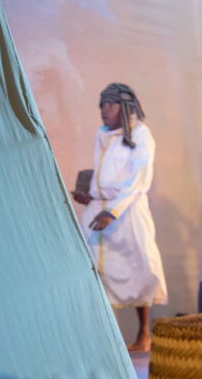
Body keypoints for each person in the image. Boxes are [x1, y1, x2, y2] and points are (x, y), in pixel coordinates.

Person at [71, 83, 167, 353]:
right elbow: (105, 174)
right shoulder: (102, 134)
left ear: (124, 107)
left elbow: (138, 180)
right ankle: (106, 341)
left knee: (138, 268)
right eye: (101, 104)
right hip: (98, 210)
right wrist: (90, 194)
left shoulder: (141, 134)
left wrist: (112, 211)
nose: (103, 110)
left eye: (110, 104)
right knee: (96, 271)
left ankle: (143, 335)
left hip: (127, 211)